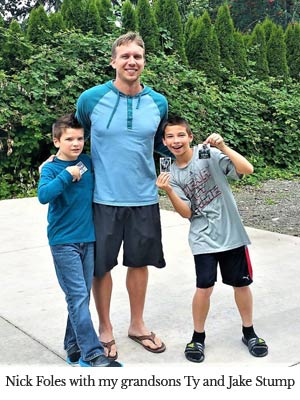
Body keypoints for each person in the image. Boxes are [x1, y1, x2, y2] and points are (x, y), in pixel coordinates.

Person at [75, 32, 171, 359]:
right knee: (101, 267)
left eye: (138, 57)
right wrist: (56, 165)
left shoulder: (158, 102)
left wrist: (188, 160)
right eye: (125, 56)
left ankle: (137, 325)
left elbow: (163, 144)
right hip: (103, 198)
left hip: (144, 197)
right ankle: (105, 328)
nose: (132, 62)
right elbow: (74, 140)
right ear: (113, 61)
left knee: (139, 263)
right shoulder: (90, 100)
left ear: (144, 62)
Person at [156, 116, 268, 363]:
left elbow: (247, 169)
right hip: (202, 237)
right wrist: (169, 191)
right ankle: (198, 337)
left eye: (181, 135)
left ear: (190, 137)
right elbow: (187, 213)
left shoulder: (207, 154)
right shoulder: (170, 172)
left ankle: (249, 332)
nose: (176, 141)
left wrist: (223, 147)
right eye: (171, 136)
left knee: (241, 284)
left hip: (231, 234)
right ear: (164, 142)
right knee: (204, 287)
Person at [37, 113, 122, 367]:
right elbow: (43, 196)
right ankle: (92, 353)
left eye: (80, 138)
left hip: (89, 239)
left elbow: (109, 164)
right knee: (77, 297)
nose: (76, 143)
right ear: (56, 142)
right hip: (64, 242)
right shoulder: (52, 168)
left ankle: (72, 344)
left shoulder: (86, 162)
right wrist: (65, 175)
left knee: (81, 295)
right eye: (69, 139)